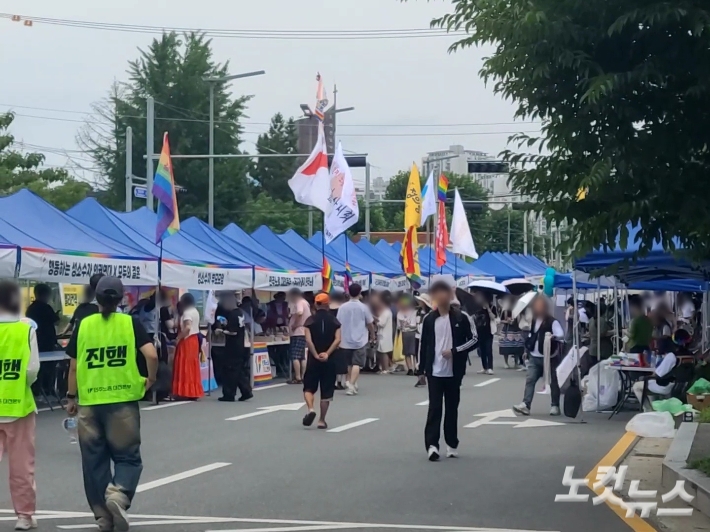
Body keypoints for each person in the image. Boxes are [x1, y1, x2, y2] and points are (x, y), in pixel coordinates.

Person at [65, 277, 158, 532]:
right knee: (128, 457)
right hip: (123, 402)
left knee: (94, 461)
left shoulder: (84, 325)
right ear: (121, 299)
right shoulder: (130, 323)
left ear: (96, 297)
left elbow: (73, 366)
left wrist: (71, 397)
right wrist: (150, 378)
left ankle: (103, 517)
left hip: (90, 403)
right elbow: (151, 354)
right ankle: (118, 494)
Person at [420, 280, 477, 461]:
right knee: (435, 408)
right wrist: (421, 369)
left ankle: (452, 444)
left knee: (452, 408)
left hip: (454, 372)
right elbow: (424, 345)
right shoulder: (429, 319)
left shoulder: (462, 317)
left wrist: (455, 351)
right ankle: (432, 445)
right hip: (434, 372)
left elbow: (474, 339)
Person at [0, 281, 40, 530]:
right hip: (18, 405)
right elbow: (32, 368)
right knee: (21, 466)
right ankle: (24, 516)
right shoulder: (26, 328)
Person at [513, 295, 565, 416]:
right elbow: (532, 335)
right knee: (530, 380)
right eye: (536, 306)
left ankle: (555, 405)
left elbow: (561, 335)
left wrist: (552, 336)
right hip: (534, 356)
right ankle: (526, 404)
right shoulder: (535, 320)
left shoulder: (552, 321)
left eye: (540, 306)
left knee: (553, 381)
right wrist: (527, 350)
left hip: (549, 357)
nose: (537, 308)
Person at [302, 293, 341, 429]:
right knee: (327, 391)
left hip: (314, 359)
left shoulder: (310, 320)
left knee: (308, 387)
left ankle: (311, 409)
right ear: (327, 304)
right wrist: (327, 353)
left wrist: (315, 354)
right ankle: (322, 420)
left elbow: (308, 340)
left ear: (316, 304)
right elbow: (338, 339)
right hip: (329, 360)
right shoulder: (334, 321)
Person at [337, 284, 375, 396]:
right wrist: (372, 334)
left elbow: (338, 323)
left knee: (349, 363)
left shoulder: (342, 307)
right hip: (360, 339)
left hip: (345, 338)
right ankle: (351, 384)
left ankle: (350, 381)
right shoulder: (364, 307)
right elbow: (369, 323)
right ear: (359, 293)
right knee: (357, 364)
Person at [26, 283, 60, 398]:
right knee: (49, 368)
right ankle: (47, 389)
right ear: (45, 295)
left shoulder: (30, 309)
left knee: (36, 366)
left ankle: (36, 390)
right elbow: (56, 321)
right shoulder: (46, 308)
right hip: (47, 342)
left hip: (35, 342)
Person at [172, 293, 204, 400]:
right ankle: (193, 391)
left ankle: (184, 391)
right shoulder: (195, 311)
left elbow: (187, 327)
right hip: (194, 339)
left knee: (183, 364)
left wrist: (178, 338)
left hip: (186, 340)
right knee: (192, 365)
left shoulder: (186, 313)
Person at [288, 288, 311, 384]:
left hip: (298, 331)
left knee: (295, 355)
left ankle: (298, 377)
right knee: (302, 356)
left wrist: (295, 325)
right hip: (303, 331)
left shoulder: (300, 302)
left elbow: (300, 313)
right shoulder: (306, 302)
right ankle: (303, 375)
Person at [472, 291, 496, 375]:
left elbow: (493, 317)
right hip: (479, 331)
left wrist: (488, 308)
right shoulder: (477, 307)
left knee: (488, 349)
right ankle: (484, 367)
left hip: (489, 331)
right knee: (482, 350)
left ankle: (490, 367)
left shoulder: (492, 306)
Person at [329, 290, 349, 390]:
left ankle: (332, 381)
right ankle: (340, 381)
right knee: (341, 360)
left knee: (332, 360)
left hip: (329, 337)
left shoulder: (327, 309)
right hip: (342, 336)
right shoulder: (343, 309)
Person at [498, 296, 525, 369]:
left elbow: (520, 319)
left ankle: (516, 362)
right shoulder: (505, 310)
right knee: (506, 347)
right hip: (507, 329)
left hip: (516, 329)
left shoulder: (518, 310)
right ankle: (506, 362)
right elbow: (501, 320)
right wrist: (507, 321)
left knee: (517, 347)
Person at [397, 295, 418, 376]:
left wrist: (408, 324)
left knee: (414, 351)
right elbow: (399, 326)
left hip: (413, 332)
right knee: (407, 352)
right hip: (404, 332)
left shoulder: (413, 312)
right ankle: (410, 368)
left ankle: (416, 367)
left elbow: (414, 323)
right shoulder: (399, 313)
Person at [414, 293, 432, 387]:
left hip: (426, 338)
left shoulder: (430, 315)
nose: (419, 302)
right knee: (418, 356)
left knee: (425, 357)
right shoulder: (418, 312)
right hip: (418, 336)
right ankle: (421, 378)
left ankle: (426, 376)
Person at [374, 294, 394, 374]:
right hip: (383, 334)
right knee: (382, 351)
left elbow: (382, 323)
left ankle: (385, 368)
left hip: (384, 334)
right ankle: (384, 368)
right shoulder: (386, 311)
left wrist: (375, 320)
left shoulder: (386, 312)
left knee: (384, 351)